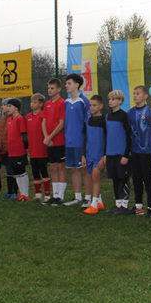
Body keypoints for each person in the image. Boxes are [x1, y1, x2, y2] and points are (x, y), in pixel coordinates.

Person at [128, 85, 151, 217]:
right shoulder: (130, 112)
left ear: (145, 96)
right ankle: (138, 206)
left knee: (147, 178)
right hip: (135, 150)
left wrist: (149, 142)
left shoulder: (150, 112)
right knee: (136, 178)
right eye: (134, 93)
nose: (135, 96)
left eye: (138, 93)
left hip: (147, 151)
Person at [64, 73, 91, 206]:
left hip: (80, 141)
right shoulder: (66, 102)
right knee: (73, 168)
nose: (66, 86)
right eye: (66, 83)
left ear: (76, 85)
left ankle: (88, 197)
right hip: (69, 142)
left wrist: (86, 141)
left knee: (84, 169)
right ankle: (77, 197)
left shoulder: (83, 101)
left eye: (69, 83)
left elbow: (88, 122)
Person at [104, 90, 132, 214]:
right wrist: (105, 153)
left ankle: (124, 206)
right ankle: (117, 204)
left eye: (113, 99)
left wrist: (126, 155)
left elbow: (129, 137)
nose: (110, 101)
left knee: (123, 178)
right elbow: (107, 136)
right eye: (109, 99)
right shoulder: (107, 116)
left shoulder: (124, 116)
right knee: (115, 178)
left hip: (121, 153)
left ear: (120, 101)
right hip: (110, 153)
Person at [42, 79, 67, 205]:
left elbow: (61, 123)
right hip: (50, 141)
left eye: (52, 88)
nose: (50, 90)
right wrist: (46, 137)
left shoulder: (62, 103)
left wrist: (50, 136)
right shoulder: (47, 104)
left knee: (60, 166)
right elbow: (44, 121)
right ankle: (55, 194)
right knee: (53, 167)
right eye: (48, 88)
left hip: (59, 141)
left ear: (59, 89)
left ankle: (60, 196)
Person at [82, 95, 107, 215]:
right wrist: (83, 154)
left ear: (101, 106)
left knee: (95, 178)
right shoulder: (88, 121)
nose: (92, 107)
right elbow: (85, 138)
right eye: (90, 105)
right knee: (92, 177)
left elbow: (107, 139)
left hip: (99, 155)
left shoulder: (104, 121)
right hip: (89, 154)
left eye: (94, 105)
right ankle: (99, 201)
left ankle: (94, 204)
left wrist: (104, 156)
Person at [5, 98, 30, 201]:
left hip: (19, 151)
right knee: (16, 173)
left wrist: (25, 148)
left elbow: (24, 134)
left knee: (21, 172)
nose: (8, 108)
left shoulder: (20, 119)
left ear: (16, 108)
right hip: (12, 151)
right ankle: (21, 194)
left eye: (10, 106)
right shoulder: (10, 119)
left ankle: (25, 194)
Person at [26, 93, 50, 203]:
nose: (32, 104)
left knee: (43, 171)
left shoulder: (43, 115)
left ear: (40, 104)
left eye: (35, 102)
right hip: (32, 150)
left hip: (41, 150)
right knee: (35, 172)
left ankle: (47, 195)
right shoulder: (27, 117)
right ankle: (38, 194)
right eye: (31, 102)